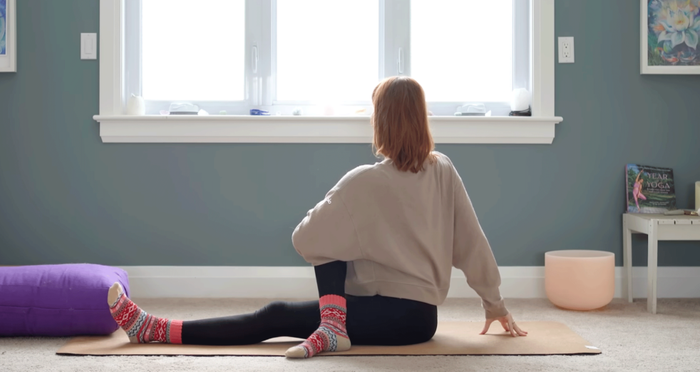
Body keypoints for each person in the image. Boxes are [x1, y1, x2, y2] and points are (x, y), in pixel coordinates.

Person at [106, 76, 527, 359]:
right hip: (422, 320)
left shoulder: (363, 182)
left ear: (380, 122)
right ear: (422, 121)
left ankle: (154, 329)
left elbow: (306, 240)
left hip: (388, 316)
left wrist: (338, 204)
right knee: (331, 242)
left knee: (273, 314)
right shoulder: (443, 169)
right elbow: (471, 242)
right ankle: (333, 324)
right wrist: (495, 303)